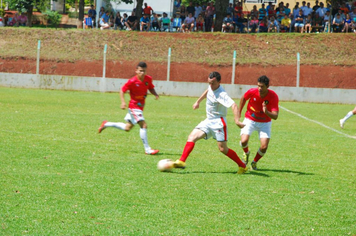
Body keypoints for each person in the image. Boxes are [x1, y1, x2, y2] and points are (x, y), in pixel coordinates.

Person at [172, 71, 248, 174]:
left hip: (219, 123)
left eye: (213, 83)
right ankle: (181, 161)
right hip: (208, 121)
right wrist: (198, 101)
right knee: (192, 137)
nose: (211, 85)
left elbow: (233, 105)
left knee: (222, 149)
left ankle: (242, 166)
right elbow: (207, 91)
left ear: (219, 82)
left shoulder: (222, 94)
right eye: (209, 83)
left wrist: (237, 120)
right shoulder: (211, 87)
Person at [98, 62, 160, 155]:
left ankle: (106, 124)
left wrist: (155, 94)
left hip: (140, 106)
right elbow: (122, 90)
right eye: (140, 71)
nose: (142, 73)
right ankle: (147, 149)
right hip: (134, 107)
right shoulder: (132, 81)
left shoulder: (148, 79)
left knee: (127, 128)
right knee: (143, 125)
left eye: (144, 71)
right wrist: (123, 102)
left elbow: (150, 87)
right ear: (136, 71)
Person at [238, 76, 279, 170]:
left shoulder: (273, 96)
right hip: (250, 119)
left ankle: (254, 162)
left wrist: (267, 112)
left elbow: (275, 116)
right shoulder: (252, 91)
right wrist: (239, 112)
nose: (260, 88)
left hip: (265, 123)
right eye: (258, 86)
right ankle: (246, 153)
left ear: (267, 86)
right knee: (244, 141)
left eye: (262, 86)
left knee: (264, 147)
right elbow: (243, 98)